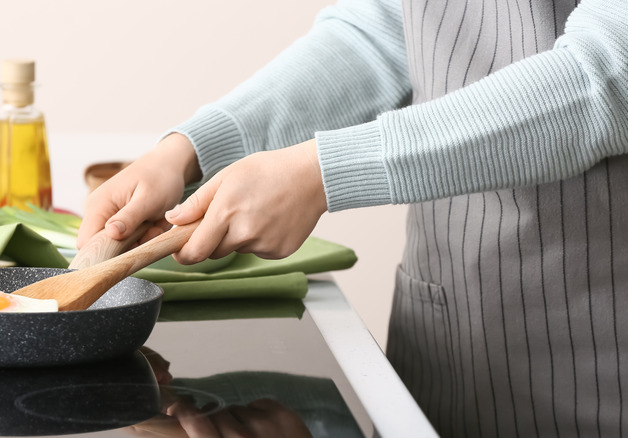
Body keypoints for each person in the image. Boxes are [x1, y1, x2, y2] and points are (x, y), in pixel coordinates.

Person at [78, 0, 628, 436]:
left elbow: (607, 74)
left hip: (597, 361)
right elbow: (386, 29)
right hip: (447, 336)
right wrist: (191, 149)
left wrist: (325, 172)